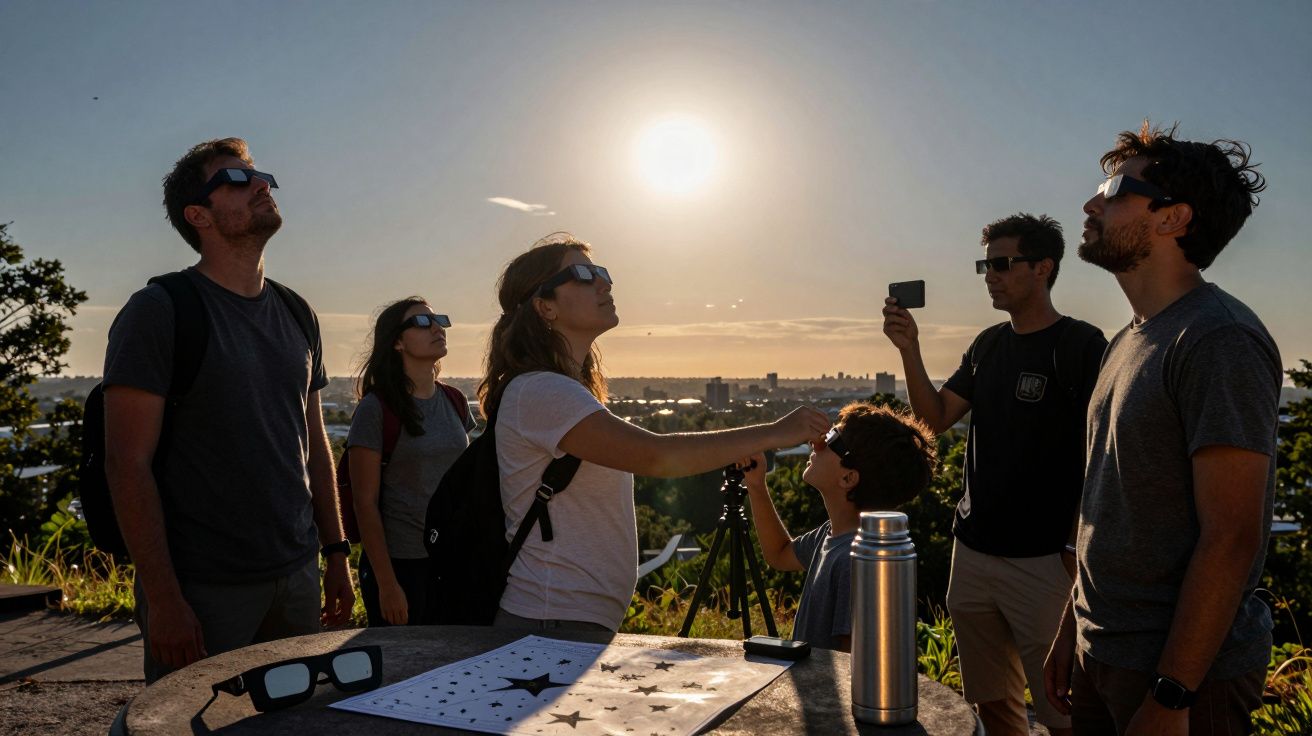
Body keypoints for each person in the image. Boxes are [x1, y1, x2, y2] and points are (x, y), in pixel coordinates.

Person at [1043, 123, 1278, 736]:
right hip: (1106, 654)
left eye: (1115, 189)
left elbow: (1230, 537)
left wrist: (1172, 695)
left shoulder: (1218, 339)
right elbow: (1106, 504)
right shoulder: (1127, 341)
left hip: (1181, 678)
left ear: (1173, 219)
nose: (1091, 203)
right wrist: (1073, 627)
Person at [479, 233, 831, 633]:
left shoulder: (562, 391)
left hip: (565, 617)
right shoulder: (541, 390)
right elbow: (655, 456)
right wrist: (774, 431)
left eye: (602, 273)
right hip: (551, 618)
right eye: (582, 274)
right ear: (544, 307)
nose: (604, 283)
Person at [103, 138, 354, 683]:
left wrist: (336, 554)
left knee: (295, 723)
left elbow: (314, 447)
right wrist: (165, 600)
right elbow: (127, 465)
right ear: (199, 215)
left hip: (296, 574)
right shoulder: (159, 312)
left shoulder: (295, 310)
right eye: (236, 179)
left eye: (260, 174)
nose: (261, 183)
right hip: (203, 588)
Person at [882, 213, 1106, 736]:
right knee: (992, 704)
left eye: (1002, 264)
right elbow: (934, 420)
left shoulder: (1080, 346)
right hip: (974, 554)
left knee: (1063, 712)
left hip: (1047, 562)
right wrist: (909, 350)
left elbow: (1104, 452)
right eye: (986, 265)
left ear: (1043, 268)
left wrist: (1077, 545)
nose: (990, 275)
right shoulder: (987, 346)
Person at [741, 401, 937, 652]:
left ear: (848, 478)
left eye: (831, 439)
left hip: (826, 692)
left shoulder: (854, 560)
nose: (816, 443)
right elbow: (779, 554)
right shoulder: (831, 535)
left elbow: (851, 663)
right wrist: (757, 485)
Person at [347, 298, 476, 626]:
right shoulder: (376, 409)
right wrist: (387, 585)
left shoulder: (455, 401)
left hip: (451, 560)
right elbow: (365, 504)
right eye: (422, 322)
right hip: (403, 565)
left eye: (439, 320)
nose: (437, 328)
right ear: (397, 341)